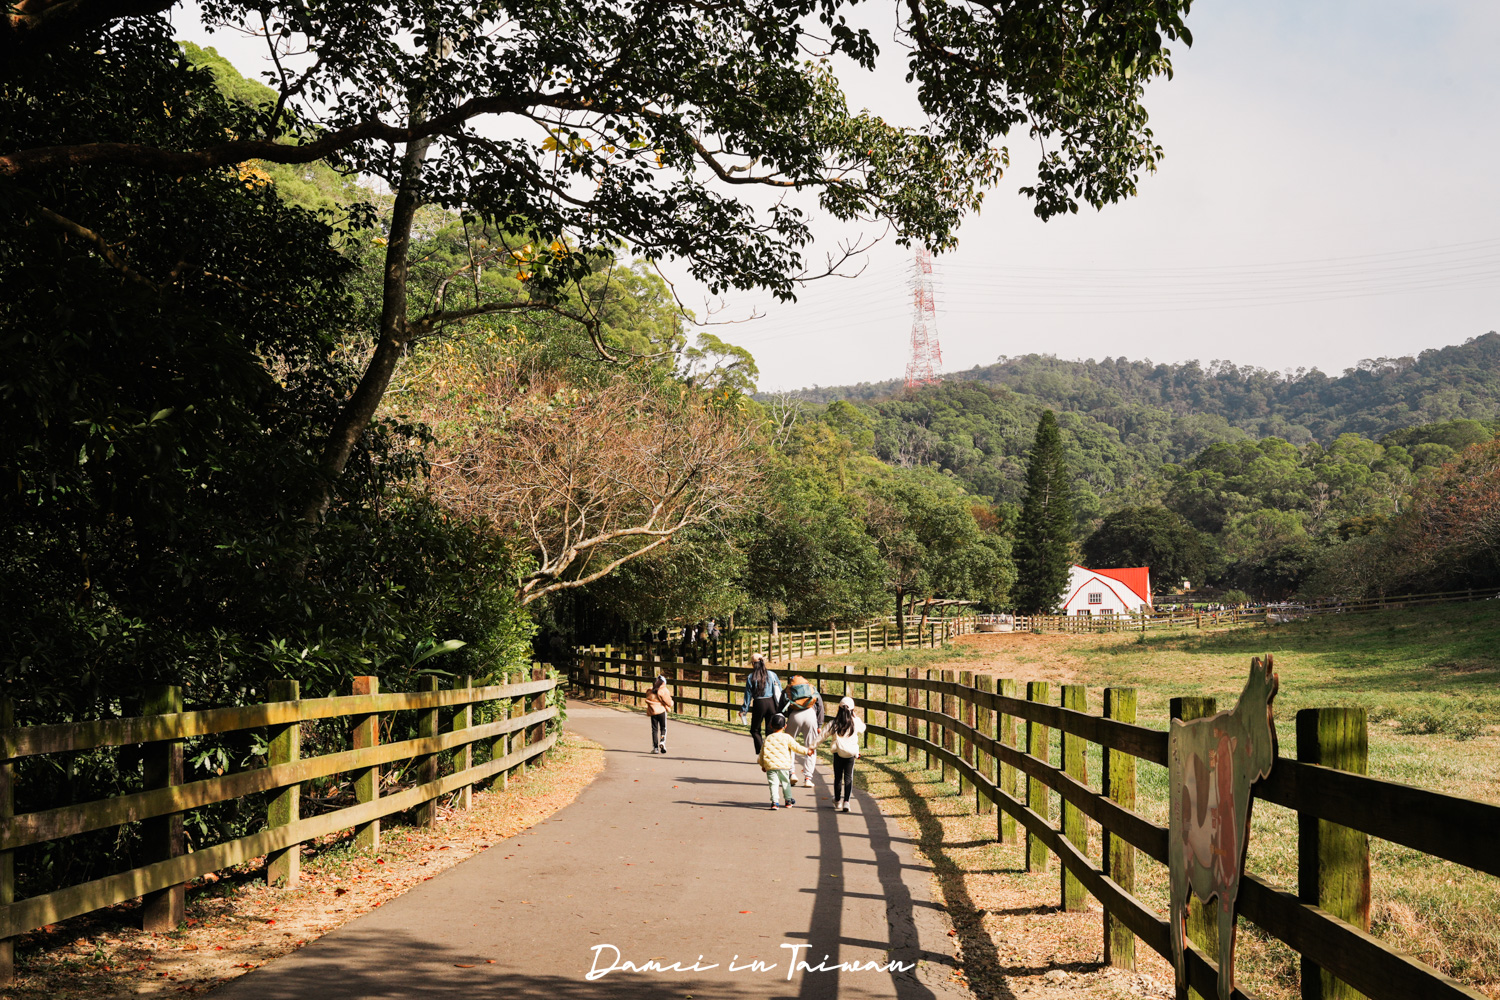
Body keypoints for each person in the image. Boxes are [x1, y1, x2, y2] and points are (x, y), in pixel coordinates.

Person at [758, 714, 815, 809]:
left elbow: (762, 753)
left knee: (773, 784)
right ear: (785, 726)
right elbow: (796, 747)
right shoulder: (787, 737)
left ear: (771, 725)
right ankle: (788, 801)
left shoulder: (768, 738)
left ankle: (774, 802)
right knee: (786, 783)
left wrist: (763, 765)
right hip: (783, 766)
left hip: (770, 766)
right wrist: (807, 751)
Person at [821, 696, 866, 812]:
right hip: (850, 754)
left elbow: (822, 735)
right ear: (852, 710)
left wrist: (812, 747)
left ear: (839, 709)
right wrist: (856, 717)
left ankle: (837, 800)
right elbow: (863, 728)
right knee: (848, 777)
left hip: (838, 752)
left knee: (838, 777)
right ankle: (846, 802)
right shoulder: (855, 722)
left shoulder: (834, 723)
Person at [779, 673, 824, 788]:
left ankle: (792, 773)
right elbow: (820, 706)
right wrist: (819, 724)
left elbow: (780, 708)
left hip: (794, 716)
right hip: (810, 715)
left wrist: (781, 724)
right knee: (811, 747)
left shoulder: (787, 690)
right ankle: (808, 778)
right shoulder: (811, 688)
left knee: (789, 746)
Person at [740, 653, 782, 754]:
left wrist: (744, 709)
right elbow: (779, 690)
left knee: (755, 729)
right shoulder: (772, 674)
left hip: (759, 704)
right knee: (770, 730)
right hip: (771, 703)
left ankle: (760, 750)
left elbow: (748, 695)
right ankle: (770, 751)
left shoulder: (751, 677)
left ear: (753, 664)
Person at [644, 674, 674, 754]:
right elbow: (669, 702)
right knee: (663, 728)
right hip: (661, 711)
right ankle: (662, 741)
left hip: (653, 712)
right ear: (663, 683)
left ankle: (655, 748)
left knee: (654, 729)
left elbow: (648, 698)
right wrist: (671, 703)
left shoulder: (650, 691)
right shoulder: (664, 690)